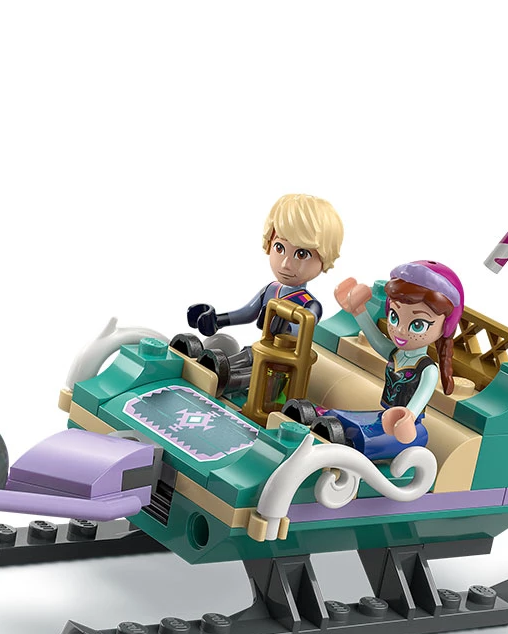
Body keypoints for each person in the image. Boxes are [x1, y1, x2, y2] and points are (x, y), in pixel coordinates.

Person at [290, 260, 463, 460]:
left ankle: (343, 451)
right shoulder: (396, 354)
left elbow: (420, 399)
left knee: (361, 438)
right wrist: (358, 311)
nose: (400, 330)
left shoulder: (428, 370)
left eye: (418, 325)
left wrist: (409, 416)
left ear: (445, 327)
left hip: (406, 430)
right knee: (336, 417)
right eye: (394, 317)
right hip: (381, 418)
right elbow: (375, 338)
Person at [173, 193, 344, 395]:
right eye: (279, 247)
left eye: (301, 254)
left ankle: (225, 383)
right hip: (259, 351)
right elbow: (247, 313)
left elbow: (303, 329)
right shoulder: (271, 289)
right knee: (244, 356)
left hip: (282, 368)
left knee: (258, 371)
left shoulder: (309, 305)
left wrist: (284, 325)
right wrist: (217, 320)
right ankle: (207, 368)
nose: (286, 264)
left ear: (324, 258)